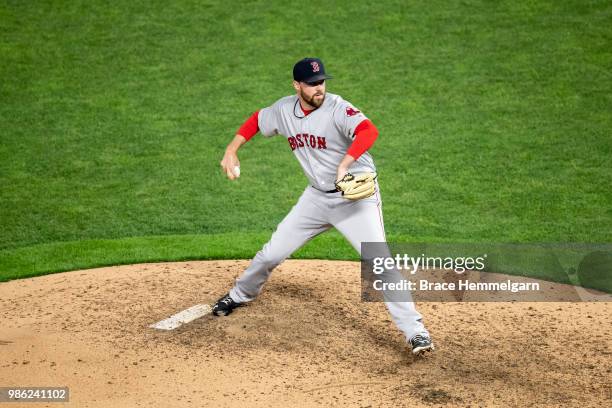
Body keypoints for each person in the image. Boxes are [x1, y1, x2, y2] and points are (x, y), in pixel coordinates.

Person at [214, 57, 434, 355]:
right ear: (297, 86)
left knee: (380, 263)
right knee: (272, 253)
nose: (320, 89)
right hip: (316, 198)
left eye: (322, 82)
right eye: (313, 84)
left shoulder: (338, 107)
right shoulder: (283, 110)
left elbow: (369, 131)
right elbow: (257, 119)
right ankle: (240, 294)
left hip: (354, 198)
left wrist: (345, 164)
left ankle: (416, 332)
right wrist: (232, 149)